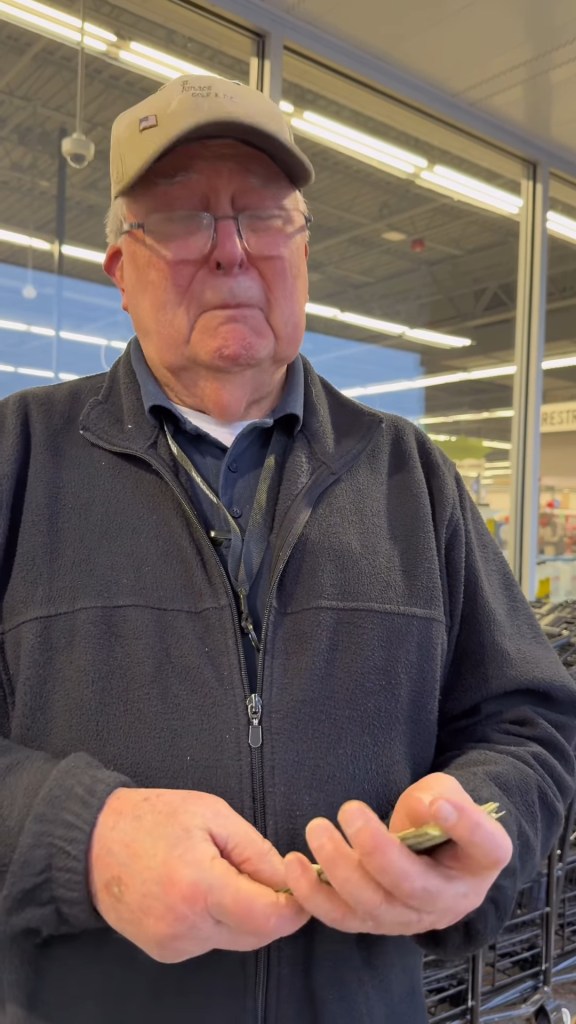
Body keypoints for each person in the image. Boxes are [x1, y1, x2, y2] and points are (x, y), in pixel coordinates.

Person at [0, 74, 575, 1024]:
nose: (231, 250)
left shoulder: (408, 477)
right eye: (183, 218)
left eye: (263, 216)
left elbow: (531, 724)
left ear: (303, 248)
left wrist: (485, 822)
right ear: (119, 266)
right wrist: (81, 838)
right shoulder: (19, 461)